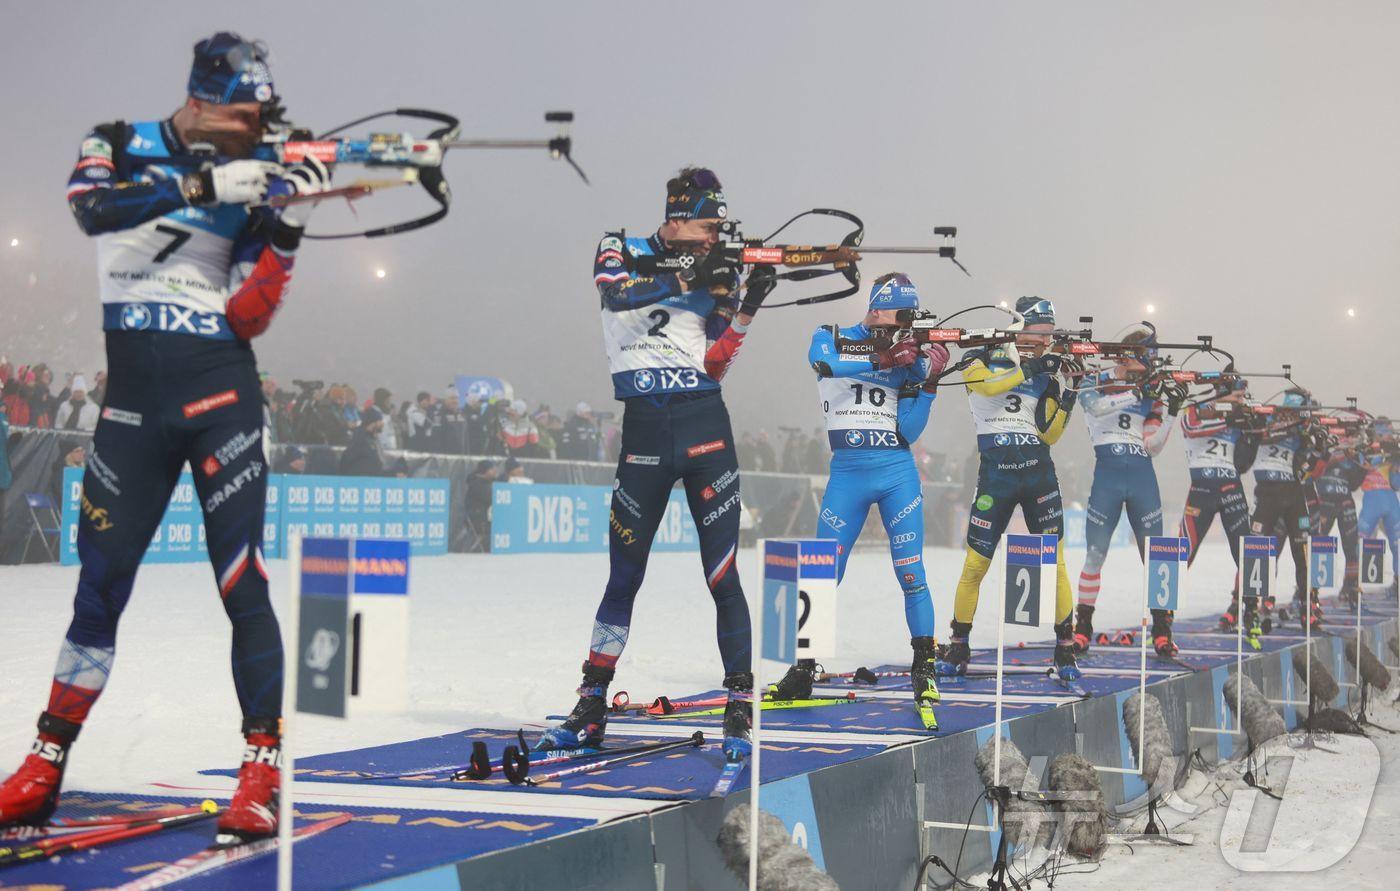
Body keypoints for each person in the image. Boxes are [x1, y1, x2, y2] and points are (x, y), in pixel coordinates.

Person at [0, 33, 330, 843]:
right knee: (99, 587)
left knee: (241, 580)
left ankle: (262, 770)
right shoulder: (116, 142)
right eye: (243, 117)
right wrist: (204, 179)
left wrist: (286, 230)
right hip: (132, 409)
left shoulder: (254, 183)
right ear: (202, 101)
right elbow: (90, 209)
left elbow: (249, 315)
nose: (254, 131)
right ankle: (45, 762)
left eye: (261, 121)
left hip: (221, 395)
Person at [539, 167, 775, 766]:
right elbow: (617, 292)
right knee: (623, 578)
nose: (713, 237)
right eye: (706, 226)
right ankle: (590, 705)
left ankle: (740, 707)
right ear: (675, 217)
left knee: (722, 576)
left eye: (719, 229)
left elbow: (714, 363)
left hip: (703, 429)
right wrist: (694, 272)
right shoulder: (621, 245)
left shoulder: (717, 268)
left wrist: (744, 305)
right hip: (643, 433)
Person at [768, 273, 949, 729]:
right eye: (898, 316)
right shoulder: (830, 336)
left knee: (911, 571)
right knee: (821, 573)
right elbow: (823, 365)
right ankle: (803, 668)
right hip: (847, 474)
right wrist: (885, 356)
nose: (903, 325)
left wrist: (927, 383)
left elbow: (906, 431)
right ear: (876, 309)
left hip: (895, 473)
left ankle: (924, 666)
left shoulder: (906, 354)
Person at [939, 297, 1082, 683]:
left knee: (1055, 564)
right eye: (1040, 332)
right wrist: (1033, 366)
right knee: (975, 564)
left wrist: (1069, 395)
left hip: (1038, 474)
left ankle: (1065, 648)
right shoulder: (982, 355)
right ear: (1020, 327)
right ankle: (959, 644)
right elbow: (986, 388)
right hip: (996, 476)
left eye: (1051, 334)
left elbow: (1049, 433)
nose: (1047, 340)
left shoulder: (1048, 372)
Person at [1072, 323, 1186, 657]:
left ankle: (1163, 630)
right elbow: (1094, 407)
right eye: (1146, 359)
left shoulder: (1150, 392)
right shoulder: (1096, 380)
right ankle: (1082, 628)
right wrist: (1133, 392)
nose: (1150, 367)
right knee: (1095, 554)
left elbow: (1152, 446)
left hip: (1141, 475)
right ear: (1128, 356)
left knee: (1157, 557)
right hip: (1107, 472)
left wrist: (1172, 414)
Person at [1176, 379, 1261, 637]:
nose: (1240, 401)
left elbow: (1243, 464)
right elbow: (1190, 426)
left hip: (1231, 490)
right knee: (1181, 553)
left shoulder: (1239, 416)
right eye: (1236, 396)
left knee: (1248, 553)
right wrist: (1228, 416)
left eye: (1242, 397)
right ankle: (1161, 620)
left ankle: (1251, 614)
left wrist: (1252, 434)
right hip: (1201, 490)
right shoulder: (1197, 407)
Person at [1247, 389, 1320, 628]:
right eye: (1297, 412)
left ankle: (1307, 607)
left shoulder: (1302, 430)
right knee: (1259, 550)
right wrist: (1291, 426)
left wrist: (1317, 445)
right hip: (1267, 493)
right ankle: (1252, 606)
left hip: (1294, 494)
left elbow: (1305, 468)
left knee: (1303, 553)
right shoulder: (1267, 419)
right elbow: (1261, 436)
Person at [1309, 428, 1368, 608]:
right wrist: (1334, 450)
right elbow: (1314, 469)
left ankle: (1350, 590)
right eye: (1348, 437)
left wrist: (1357, 459)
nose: (1350, 440)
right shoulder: (1328, 443)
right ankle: (1310, 592)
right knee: (1317, 545)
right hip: (1324, 502)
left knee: (1352, 548)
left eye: (1352, 438)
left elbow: (1355, 484)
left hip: (1345, 503)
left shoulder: (1353, 454)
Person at [1359, 419, 1399, 598]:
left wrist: (1396, 465)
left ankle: (1397, 583)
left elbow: (1397, 483)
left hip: (1385, 502)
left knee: (1396, 543)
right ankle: (1355, 585)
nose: (1391, 437)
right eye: (1387, 433)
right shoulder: (1366, 449)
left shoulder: (1393, 453)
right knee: (1362, 542)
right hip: (1377, 503)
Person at [339, 407, 386, 477]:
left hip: (372, 478)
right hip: (361, 479)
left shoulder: (371, 438)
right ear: (372, 422)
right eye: (378, 421)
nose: (381, 424)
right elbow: (348, 459)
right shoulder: (359, 438)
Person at [464, 459, 497, 551]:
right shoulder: (477, 484)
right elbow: (490, 498)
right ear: (485, 471)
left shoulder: (490, 483)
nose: (495, 472)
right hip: (478, 519)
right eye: (492, 469)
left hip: (487, 518)